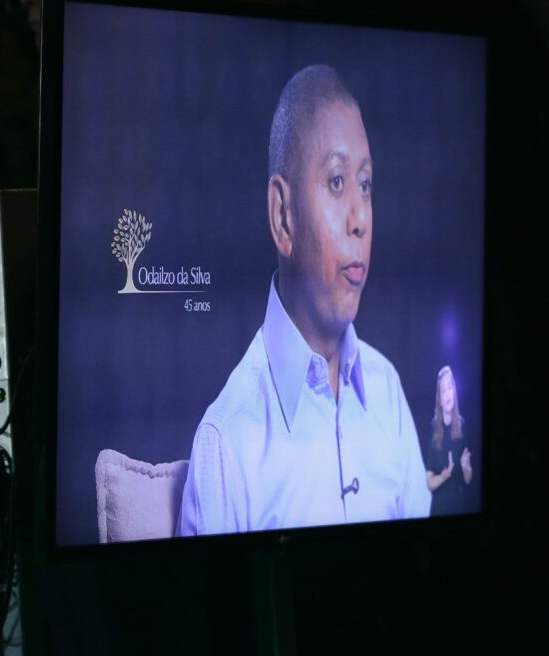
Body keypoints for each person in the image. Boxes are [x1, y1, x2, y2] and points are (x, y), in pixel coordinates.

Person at [177, 64, 430, 535]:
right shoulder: (227, 443)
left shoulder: (388, 394)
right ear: (283, 217)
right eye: (336, 181)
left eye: (365, 185)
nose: (360, 218)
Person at [425, 366, 473, 516]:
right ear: (440, 400)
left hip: (458, 508)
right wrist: (443, 476)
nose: (447, 394)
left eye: (449, 388)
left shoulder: (462, 425)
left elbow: (468, 480)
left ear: (454, 392)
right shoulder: (434, 427)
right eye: (443, 390)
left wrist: (466, 467)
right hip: (438, 509)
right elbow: (429, 483)